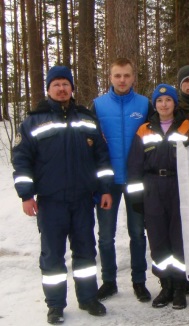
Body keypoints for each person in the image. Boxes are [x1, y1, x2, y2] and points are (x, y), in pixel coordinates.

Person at [12, 66, 114, 324]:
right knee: (52, 255)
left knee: (86, 252)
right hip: (51, 201)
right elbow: (22, 161)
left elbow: (101, 157)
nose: (61, 88)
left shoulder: (86, 118)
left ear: (71, 88)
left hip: (82, 200)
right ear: (48, 89)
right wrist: (26, 195)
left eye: (65, 84)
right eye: (55, 84)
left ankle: (88, 298)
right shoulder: (33, 121)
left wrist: (104, 190)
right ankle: (55, 305)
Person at [92, 58, 152, 303]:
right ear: (110, 77)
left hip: (136, 180)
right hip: (108, 183)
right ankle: (108, 281)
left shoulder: (145, 104)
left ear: (133, 77)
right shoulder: (98, 105)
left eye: (126, 75)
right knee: (106, 235)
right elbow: (93, 145)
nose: (122, 80)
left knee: (137, 233)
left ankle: (139, 281)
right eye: (117, 76)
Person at [126, 84, 189, 309]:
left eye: (168, 100)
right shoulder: (144, 130)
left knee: (179, 238)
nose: (164, 104)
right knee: (158, 239)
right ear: (154, 105)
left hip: (179, 186)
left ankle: (180, 287)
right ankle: (166, 286)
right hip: (152, 186)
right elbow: (134, 165)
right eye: (159, 101)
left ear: (175, 103)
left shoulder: (186, 126)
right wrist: (136, 197)